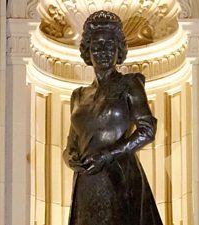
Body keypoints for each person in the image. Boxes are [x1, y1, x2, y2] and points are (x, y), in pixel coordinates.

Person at [63, 10, 163, 225]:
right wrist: (69, 157)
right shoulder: (78, 95)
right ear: (87, 51)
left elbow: (148, 130)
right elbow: (72, 141)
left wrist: (109, 154)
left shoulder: (130, 84)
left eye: (110, 45)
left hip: (119, 175)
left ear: (119, 50)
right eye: (96, 45)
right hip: (87, 179)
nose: (103, 51)